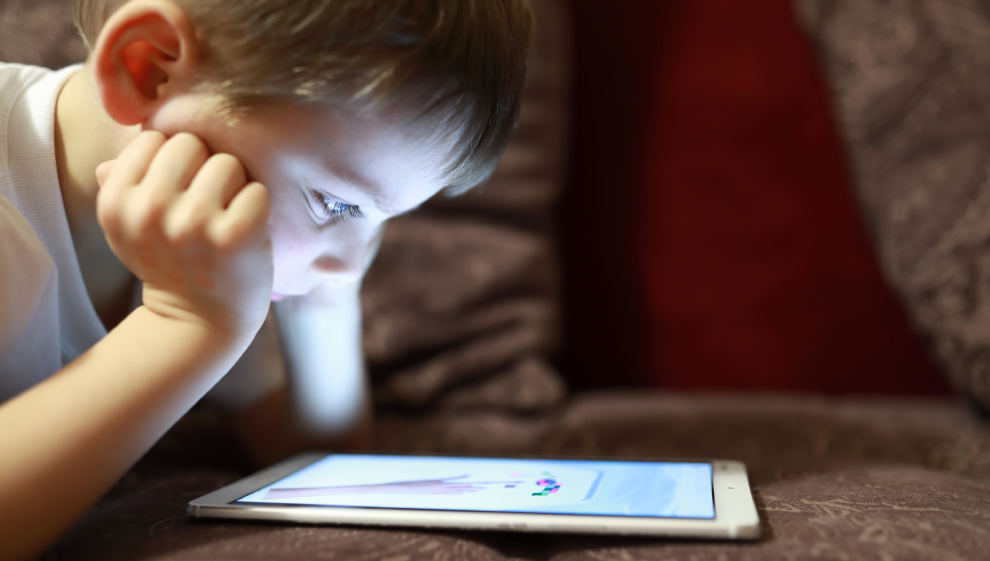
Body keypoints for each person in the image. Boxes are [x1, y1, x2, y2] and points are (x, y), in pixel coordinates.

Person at [0, 0, 532, 557]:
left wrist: (324, 302)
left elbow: (311, 454)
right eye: (334, 203)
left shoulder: (198, 243)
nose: (352, 263)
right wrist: (185, 324)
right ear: (148, 70)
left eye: (379, 222)